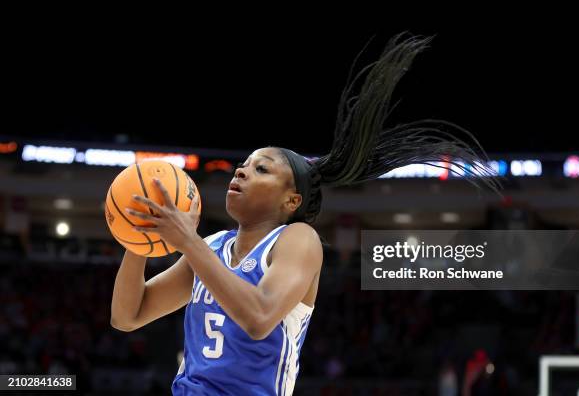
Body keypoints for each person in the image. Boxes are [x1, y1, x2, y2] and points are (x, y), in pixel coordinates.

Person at [110, 32, 501, 395]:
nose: (242, 170)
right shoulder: (212, 247)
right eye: (244, 164)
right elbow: (128, 316)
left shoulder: (297, 239)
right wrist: (139, 237)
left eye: (262, 168)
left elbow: (260, 316)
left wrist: (189, 243)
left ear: (291, 201)